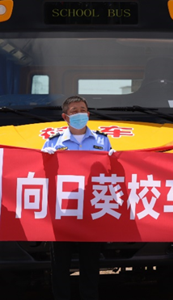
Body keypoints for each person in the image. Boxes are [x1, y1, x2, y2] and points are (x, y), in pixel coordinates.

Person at [42, 95, 113, 300]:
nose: (79, 113)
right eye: (74, 111)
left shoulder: (103, 141)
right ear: (65, 117)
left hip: (92, 211)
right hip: (62, 212)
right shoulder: (53, 143)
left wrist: (116, 160)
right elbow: (40, 176)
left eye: (82, 109)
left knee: (90, 264)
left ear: (89, 114)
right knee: (60, 265)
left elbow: (113, 174)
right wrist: (43, 159)